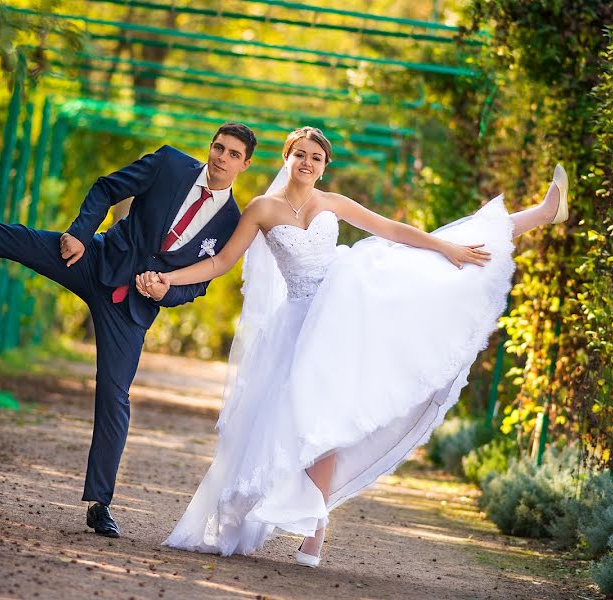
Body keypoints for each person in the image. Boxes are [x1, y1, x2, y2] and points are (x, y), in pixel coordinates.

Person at [139, 126, 569, 565]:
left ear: (324, 169)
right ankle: (308, 523)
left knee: (432, 263)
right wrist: (168, 278)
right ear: (287, 157)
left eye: (316, 158)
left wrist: (443, 246)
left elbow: (391, 229)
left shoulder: (332, 204)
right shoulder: (262, 209)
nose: (307, 163)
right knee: (311, 422)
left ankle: (537, 214)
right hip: (300, 324)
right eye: (300, 154)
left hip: (345, 308)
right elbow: (221, 261)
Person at [0, 122, 258, 538]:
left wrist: (163, 291)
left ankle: (101, 504)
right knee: (16, 239)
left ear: (245, 164)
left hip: (131, 308)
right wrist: (80, 234)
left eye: (232, 154)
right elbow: (106, 188)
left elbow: (200, 282)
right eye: (218, 147)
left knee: (114, 396)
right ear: (210, 147)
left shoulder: (230, 222)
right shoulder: (170, 163)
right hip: (95, 259)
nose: (221, 158)